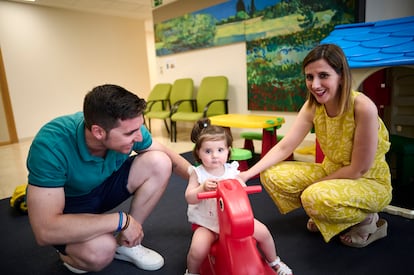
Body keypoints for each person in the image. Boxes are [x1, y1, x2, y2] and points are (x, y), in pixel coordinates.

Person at [26, 84, 192, 273]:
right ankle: (68, 255)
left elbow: (166, 154)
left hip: (103, 189)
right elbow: (44, 230)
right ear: (98, 132)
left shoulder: (129, 126)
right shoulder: (51, 146)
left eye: (140, 128)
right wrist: (121, 220)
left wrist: (203, 181)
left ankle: (127, 243)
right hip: (69, 208)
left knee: (160, 161)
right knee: (100, 252)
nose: (138, 137)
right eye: (130, 133)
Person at [239, 43, 392, 248]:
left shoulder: (363, 107)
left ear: (341, 76)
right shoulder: (313, 105)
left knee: (314, 196)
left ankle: (367, 220)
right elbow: (285, 147)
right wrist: (247, 174)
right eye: (309, 77)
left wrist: (315, 190)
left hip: (368, 181)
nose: (315, 84)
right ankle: (326, 213)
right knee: (272, 174)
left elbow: (358, 169)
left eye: (323, 75)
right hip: (332, 171)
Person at [184, 118, 292, 275]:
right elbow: (189, 197)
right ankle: (192, 272)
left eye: (220, 150)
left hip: (234, 222)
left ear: (228, 151)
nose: (215, 156)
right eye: (208, 151)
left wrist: (241, 187)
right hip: (207, 224)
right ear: (198, 153)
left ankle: (274, 261)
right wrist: (202, 188)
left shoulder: (233, 171)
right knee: (197, 250)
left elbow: (240, 195)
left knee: (264, 233)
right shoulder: (198, 173)